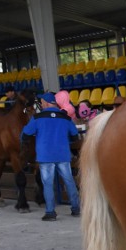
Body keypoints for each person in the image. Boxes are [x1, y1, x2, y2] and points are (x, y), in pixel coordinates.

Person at [21, 92, 81, 221]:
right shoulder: (65, 118)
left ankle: (50, 212)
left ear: (46, 102)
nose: (41, 104)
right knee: (69, 181)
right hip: (63, 154)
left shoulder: (38, 117)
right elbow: (75, 136)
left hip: (45, 155)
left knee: (48, 183)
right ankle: (76, 208)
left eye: (41, 101)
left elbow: (25, 134)